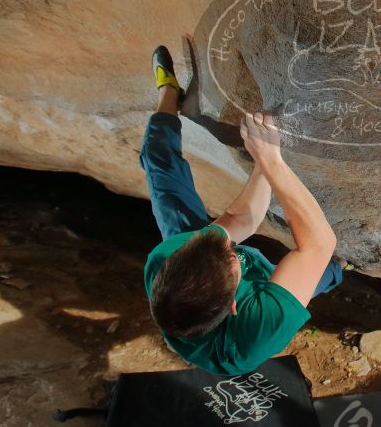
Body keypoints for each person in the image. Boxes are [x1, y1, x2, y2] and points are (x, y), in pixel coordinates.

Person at [140, 45, 343, 375]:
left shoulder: (167, 261)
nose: (230, 243)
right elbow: (319, 243)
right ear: (235, 304)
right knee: (320, 273)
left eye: (216, 241)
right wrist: (273, 162)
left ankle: (168, 92)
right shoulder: (259, 327)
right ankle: (339, 271)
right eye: (233, 254)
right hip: (251, 303)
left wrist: (263, 160)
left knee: (157, 160)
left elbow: (239, 220)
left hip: (201, 272)